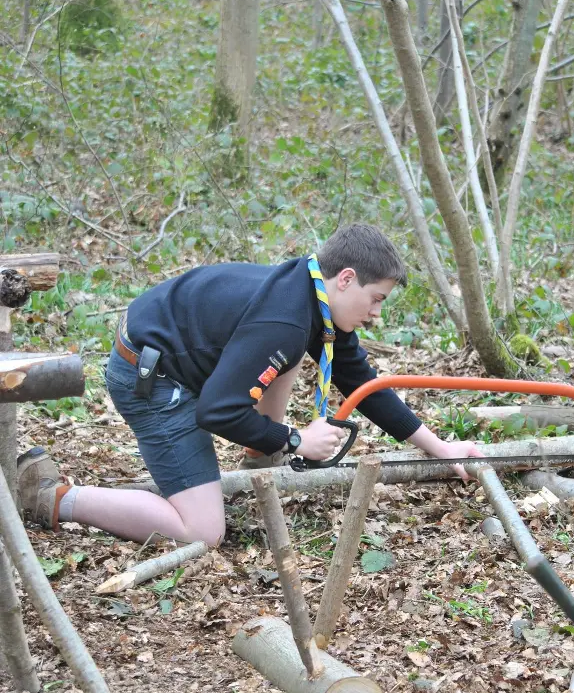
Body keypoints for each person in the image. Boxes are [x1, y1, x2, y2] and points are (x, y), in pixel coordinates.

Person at [17, 224, 481, 545]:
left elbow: (361, 381)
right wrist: (297, 439)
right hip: (151, 379)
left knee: (293, 356)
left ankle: (261, 456)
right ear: (345, 279)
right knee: (202, 531)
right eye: (376, 299)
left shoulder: (312, 295)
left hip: (178, 358)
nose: (377, 313)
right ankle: (52, 497)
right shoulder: (283, 319)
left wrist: (438, 446)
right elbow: (216, 412)